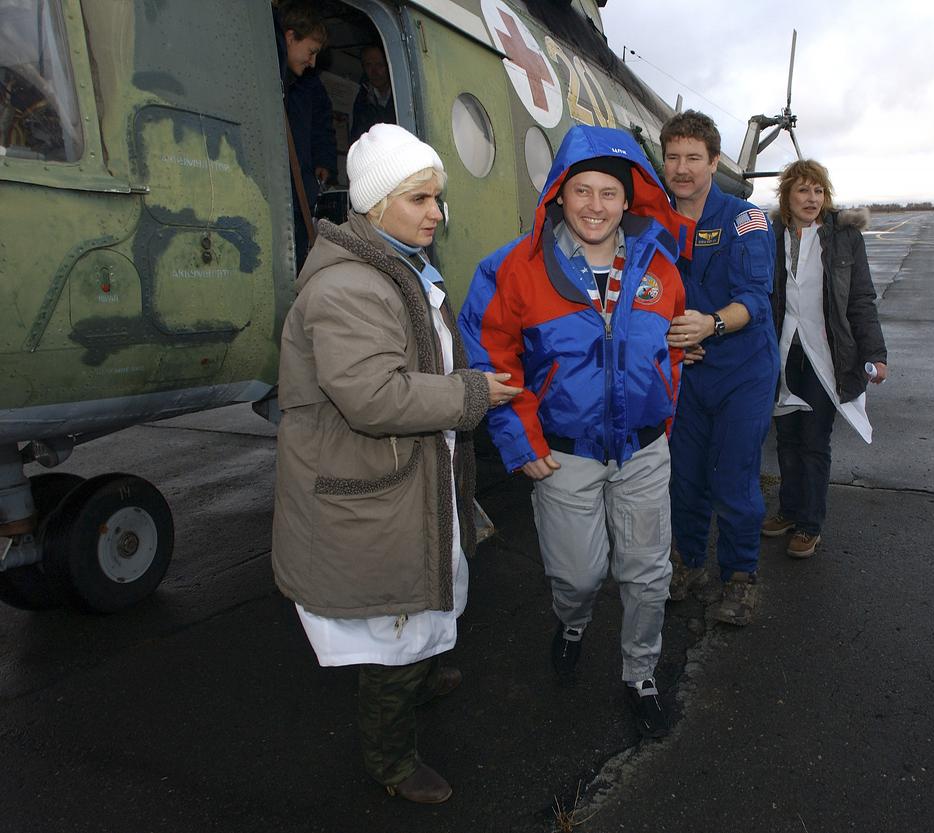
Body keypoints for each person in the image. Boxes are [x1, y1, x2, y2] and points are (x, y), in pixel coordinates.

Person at [271, 123, 522, 804]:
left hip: (407, 472)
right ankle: (392, 758)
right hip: (374, 484)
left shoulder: (394, 265)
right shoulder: (351, 286)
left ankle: (421, 670)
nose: (436, 213)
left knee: (421, 597)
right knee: (391, 630)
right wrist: (474, 392)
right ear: (377, 204)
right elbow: (373, 396)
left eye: (437, 199)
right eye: (420, 199)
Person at [459, 124, 692, 738]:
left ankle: (640, 675)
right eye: (581, 190)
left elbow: (665, 346)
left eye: (608, 194)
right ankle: (571, 622)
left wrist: (663, 401)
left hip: (642, 450)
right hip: (563, 456)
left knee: (648, 576)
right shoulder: (515, 268)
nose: (595, 205)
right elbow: (489, 351)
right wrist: (519, 438)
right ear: (559, 195)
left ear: (628, 199)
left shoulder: (659, 266)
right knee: (579, 575)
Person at [661, 111, 779, 626]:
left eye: (693, 158)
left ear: (713, 162)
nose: (682, 168)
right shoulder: (652, 222)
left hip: (743, 370)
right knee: (684, 479)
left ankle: (740, 576)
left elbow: (756, 298)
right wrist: (669, 343)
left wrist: (709, 324)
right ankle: (687, 563)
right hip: (687, 372)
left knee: (733, 479)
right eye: (673, 158)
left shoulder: (744, 218)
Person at [764, 160, 888, 558]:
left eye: (818, 191)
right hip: (785, 353)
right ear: (787, 195)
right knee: (786, 439)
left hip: (825, 355)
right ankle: (788, 509)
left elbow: (861, 299)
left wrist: (875, 354)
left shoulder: (844, 238)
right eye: (803, 190)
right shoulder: (771, 235)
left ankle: (809, 523)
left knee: (814, 441)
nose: (811, 199)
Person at [276, 1, 338, 268]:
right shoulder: (274, 79)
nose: (312, 62)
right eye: (310, 51)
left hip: (299, 190)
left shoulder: (308, 86)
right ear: (290, 37)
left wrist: (324, 161)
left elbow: (322, 126)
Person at [350, 44, 395, 142]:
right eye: (368, 65)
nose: (374, 71)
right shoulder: (362, 100)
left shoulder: (402, 96)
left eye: (380, 65)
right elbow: (357, 137)